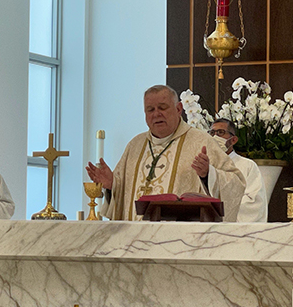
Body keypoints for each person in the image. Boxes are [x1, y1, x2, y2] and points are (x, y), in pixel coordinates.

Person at [86, 85, 245, 222]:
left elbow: (236, 183)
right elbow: (123, 197)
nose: (156, 114)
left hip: (178, 243)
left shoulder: (201, 141)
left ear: (178, 109)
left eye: (162, 107)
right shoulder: (135, 145)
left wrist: (209, 175)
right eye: (150, 110)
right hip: (133, 241)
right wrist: (112, 184)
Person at [209, 118, 268, 222]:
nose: (215, 137)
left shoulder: (247, 166)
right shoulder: (205, 165)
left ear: (233, 140)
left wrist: (220, 211)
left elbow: (254, 202)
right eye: (212, 133)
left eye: (221, 132)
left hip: (235, 232)